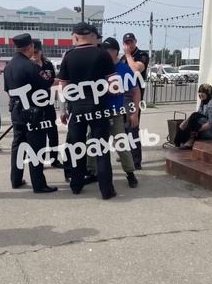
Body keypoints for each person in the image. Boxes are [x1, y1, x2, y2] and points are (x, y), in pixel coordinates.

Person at [58, 22, 116, 199]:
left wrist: (64, 108)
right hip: (98, 107)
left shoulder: (68, 56)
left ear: (76, 36)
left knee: (77, 147)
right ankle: (106, 190)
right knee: (101, 149)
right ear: (92, 35)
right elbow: (113, 83)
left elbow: (63, 85)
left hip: (77, 108)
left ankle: (76, 185)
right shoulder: (102, 54)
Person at [4, 33, 57, 193]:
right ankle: (39, 184)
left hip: (16, 111)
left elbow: (7, 89)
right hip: (33, 112)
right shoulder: (31, 66)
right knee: (36, 148)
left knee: (17, 146)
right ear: (30, 47)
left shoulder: (8, 66)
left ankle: (16, 179)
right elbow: (46, 82)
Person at [87, 37, 139, 188]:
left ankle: (130, 173)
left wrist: (134, 112)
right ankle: (91, 172)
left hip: (116, 113)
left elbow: (135, 91)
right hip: (98, 112)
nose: (104, 53)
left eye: (107, 51)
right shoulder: (97, 67)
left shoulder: (124, 69)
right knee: (92, 142)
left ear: (115, 52)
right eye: (102, 50)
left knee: (121, 143)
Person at [32, 39, 63, 169]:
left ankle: (54, 158)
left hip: (48, 102)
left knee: (52, 133)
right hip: (35, 105)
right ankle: (39, 159)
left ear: (40, 51)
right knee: (39, 135)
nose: (35, 54)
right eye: (32, 52)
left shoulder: (48, 64)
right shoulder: (29, 66)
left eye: (37, 52)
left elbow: (54, 81)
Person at [121, 33, 149, 169]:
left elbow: (136, 69)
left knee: (133, 128)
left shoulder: (141, 55)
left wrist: (127, 55)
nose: (128, 45)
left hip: (135, 96)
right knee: (123, 129)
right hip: (122, 97)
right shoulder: (121, 59)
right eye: (126, 42)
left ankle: (136, 160)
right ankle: (127, 156)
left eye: (130, 42)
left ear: (135, 41)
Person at [174, 83, 212, 149]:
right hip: (207, 127)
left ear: (208, 93)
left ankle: (188, 140)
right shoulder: (204, 102)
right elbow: (197, 114)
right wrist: (185, 123)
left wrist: (195, 130)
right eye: (199, 92)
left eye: (203, 92)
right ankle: (181, 141)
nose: (200, 94)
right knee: (194, 116)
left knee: (194, 119)